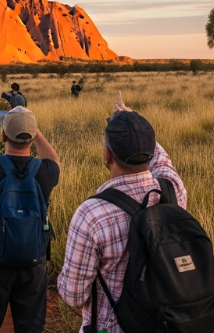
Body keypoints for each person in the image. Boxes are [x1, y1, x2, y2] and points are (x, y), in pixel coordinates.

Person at [57, 92, 187, 333]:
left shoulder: (92, 214)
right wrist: (133, 122)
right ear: (150, 149)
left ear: (107, 154)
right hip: (165, 324)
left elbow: (73, 296)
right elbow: (164, 163)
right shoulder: (173, 192)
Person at [0, 107, 60, 333]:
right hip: (34, 261)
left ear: (4, 135)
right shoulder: (45, 171)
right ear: (33, 136)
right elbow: (55, 161)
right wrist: (38, 134)